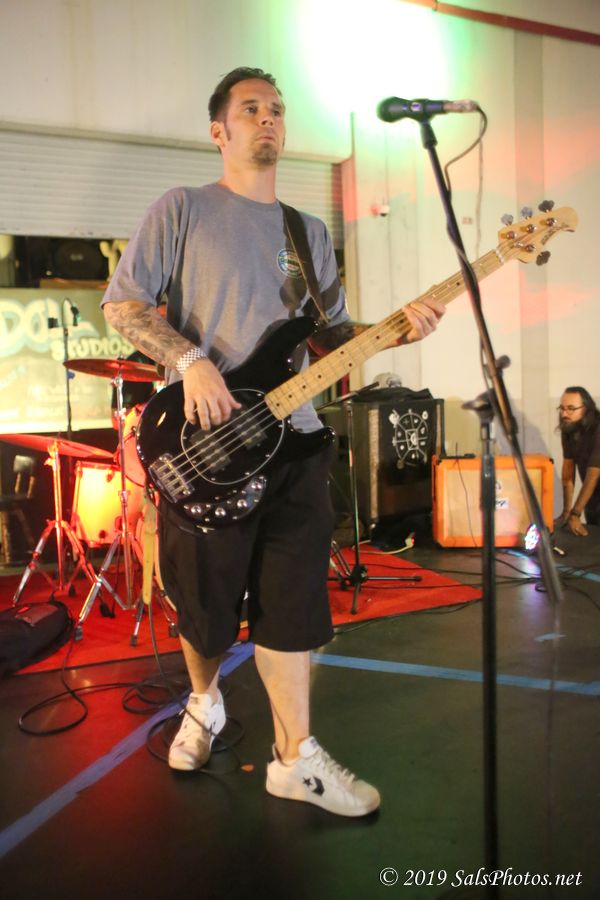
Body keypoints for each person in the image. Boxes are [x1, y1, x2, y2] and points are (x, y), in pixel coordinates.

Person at [102, 67, 445, 817]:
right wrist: (189, 361)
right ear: (219, 130)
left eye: (277, 109)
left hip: (298, 441)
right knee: (205, 605)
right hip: (208, 443)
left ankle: (295, 758)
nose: (268, 118)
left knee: (292, 605)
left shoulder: (307, 232)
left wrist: (396, 331)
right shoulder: (183, 208)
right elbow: (123, 306)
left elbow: (328, 339)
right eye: (251, 108)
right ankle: (204, 702)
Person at [556, 386, 600, 537]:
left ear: (586, 409)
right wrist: (566, 512)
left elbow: (593, 474)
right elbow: (568, 473)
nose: (564, 414)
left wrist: (575, 513)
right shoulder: (568, 427)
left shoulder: (598, 428)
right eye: (562, 408)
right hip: (593, 499)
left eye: (571, 409)